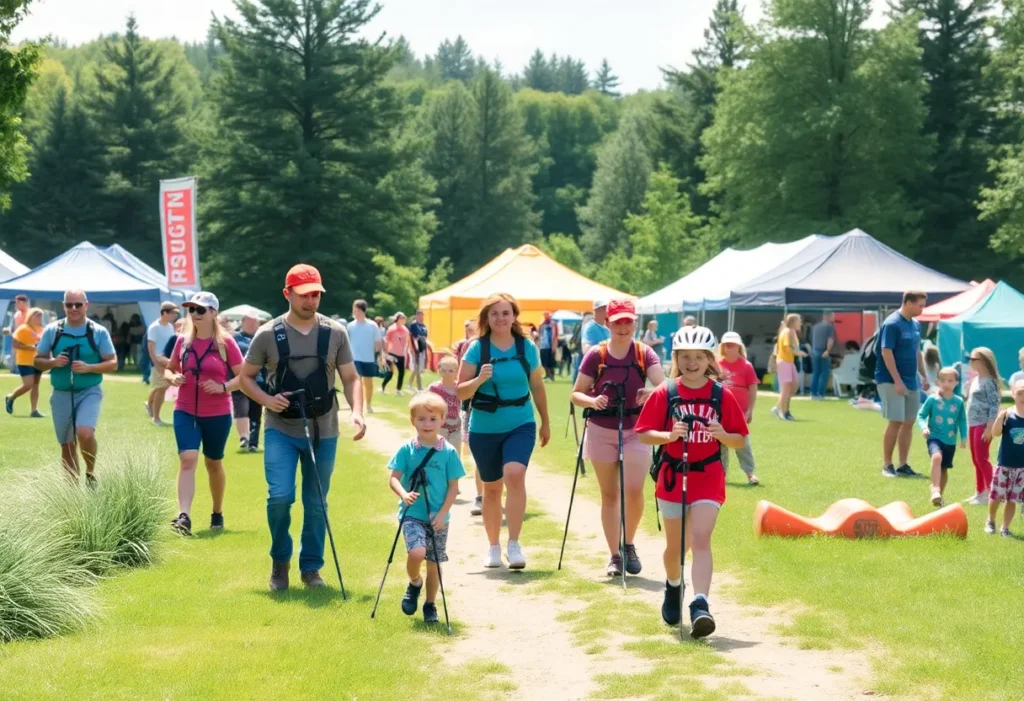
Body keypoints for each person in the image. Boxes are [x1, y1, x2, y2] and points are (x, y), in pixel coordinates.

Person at [238, 264, 366, 591]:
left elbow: (351, 378)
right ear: (288, 294)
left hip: (325, 430)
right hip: (281, 429)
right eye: (305, 295)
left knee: (317, 501)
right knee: (279, 496)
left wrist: (358, 412)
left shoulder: (336, 332)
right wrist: (266, 400)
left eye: (316, 295)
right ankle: (280, 560)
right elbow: (245, 378)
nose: (312, 301)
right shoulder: (268, 334)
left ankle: (311, 569)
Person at [635, 326, 748, 639]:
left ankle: (700, 604)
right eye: (685, 357)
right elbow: (643, 432)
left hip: (708, 476)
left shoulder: (720, 395)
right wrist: (668, 436)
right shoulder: (666, 392)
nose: (692, 362)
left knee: (700, 538)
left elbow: (740, 440)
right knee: (676, 546)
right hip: (672, 477)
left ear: (710, 359)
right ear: (676, 358)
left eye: (699, 357)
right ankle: (674, 586)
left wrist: (722, 434)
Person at [571, 299, 664, 577]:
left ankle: (629, 544)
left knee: (634, 490)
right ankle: (614, 555)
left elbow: (665, 384)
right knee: (609, 494)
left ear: (635, 323)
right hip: (601, 429)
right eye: (617, 322)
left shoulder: (643, 353)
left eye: (628, 321)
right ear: (607, 323)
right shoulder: (596, 355)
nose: (623, 327)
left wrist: (653, 393)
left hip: (637, 429)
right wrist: (592, 400)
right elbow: (576, 394)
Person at [458, 292, 550, 570]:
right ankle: (493, 547)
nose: (501, 318)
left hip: (520, 423)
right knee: (492, 489)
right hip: (484, 427)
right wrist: (479, 378)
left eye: (506, 313)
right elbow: (460, 390)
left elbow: (537, 385)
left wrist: (545, 421)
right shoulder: (477, 348)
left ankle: (514, 544)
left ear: (514, 316)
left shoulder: (526, 347)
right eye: (495, 313)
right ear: (486, 317)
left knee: (514, 473)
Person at [164, 292, 245, 536]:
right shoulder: (182, 342)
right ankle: (184, 516)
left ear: (213, 313)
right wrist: (173, 377)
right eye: (191, 310)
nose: (195, 315)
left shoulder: (226, 344)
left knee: (213, 463)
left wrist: (223, 387)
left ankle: (217, 511)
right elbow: (169, 369)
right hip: (185, 409)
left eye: (200, 310)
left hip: (217, 413)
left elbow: (244, 377)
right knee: (188, 459)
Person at [388, 392, 465, 624]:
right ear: (413, 421)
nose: (427, 424)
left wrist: (443, 514)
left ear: (442, 420)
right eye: (421, 419)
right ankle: (414, 582)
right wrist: (403, 493)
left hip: (438, 519)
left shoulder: (449, 452)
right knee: (416, 552)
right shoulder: (406, 449)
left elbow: (454, 487)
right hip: (412, 515)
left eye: (433, 419)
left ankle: (430, 605)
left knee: (434, 564)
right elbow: (393, 478)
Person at [34, 290, 118, 482]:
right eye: (69, 304)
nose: (73, 309)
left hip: (90, 391)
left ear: (86, 305)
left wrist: (89, 367)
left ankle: (90, 472)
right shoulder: (52, 330)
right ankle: (73, 495)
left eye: (78, 305)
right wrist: (53, 362)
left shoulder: (97, 331)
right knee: (67, 444)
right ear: (63, 306)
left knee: (85, 433)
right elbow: (37, 361)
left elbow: (113, 362)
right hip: (61, 392)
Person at [876, 291, 930, 478]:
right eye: (920, 306)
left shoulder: (915, 324)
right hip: (891, 380)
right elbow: (886, 352)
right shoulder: (892, 324)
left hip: (911, 380)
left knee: (909, 422)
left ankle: (903, 465)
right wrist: (897, 380)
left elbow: (917, 351)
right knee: (896, 421)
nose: (922, 309)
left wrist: (923, 374)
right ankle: (887, 465)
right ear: (907, 303)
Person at [917, 367, 967, 507]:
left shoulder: (958, 402)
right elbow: (921, 415)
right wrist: (924, 427)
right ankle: (935, 489)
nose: (946, 383)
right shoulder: (932, 399)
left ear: (956, 382)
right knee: (936, 457)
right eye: (943, 380)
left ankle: (939, 496)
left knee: (944, 469)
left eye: (950, 380)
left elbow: (962, 420)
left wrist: (963, 437)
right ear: (938, 381)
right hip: (934, 437)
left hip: (950, 441)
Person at [717, 332, 761, 485]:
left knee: (742, 444)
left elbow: (753, 388)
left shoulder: (746, 366)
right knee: (720, 444)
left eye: (732, 345)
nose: (728, 347)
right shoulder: (717, 364)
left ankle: (750, 474)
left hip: (739, 413)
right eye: (726, 345)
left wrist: (750, 410)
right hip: (720, 413)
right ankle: (720, 476)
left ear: (738, 347)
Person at [986, 382, 1024, 536]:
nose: (1023, 397)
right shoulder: (1009, 415)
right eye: (1020, 393)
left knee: (1012, 499)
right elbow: (995, 433)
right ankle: (991, 520)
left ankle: (1005, 527)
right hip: (1005, 464)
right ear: (1013, 394)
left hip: (1021, 467)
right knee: (996, 495)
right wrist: (1000, 418)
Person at [965, 347, 1002, 505]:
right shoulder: (976, 379)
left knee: (982, 458)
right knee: (976, 459)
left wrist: (989, 427)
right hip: (973, 423)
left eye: (974, 359)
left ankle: (991, 492)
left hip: (983, 424)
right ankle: (980, 491)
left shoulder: (989, 382)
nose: (970, 362)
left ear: (983, 362)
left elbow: (994, 405)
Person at [232, 313, 265, 451]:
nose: (253, 324)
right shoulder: (234, 338)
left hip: (258, 380)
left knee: (255, 413)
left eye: (256, 322)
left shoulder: (262, 337)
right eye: (250, 321)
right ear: (243, 322)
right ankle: (244, 437)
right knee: (242, 409)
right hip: (239, 379)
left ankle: (253, 443)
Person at [6, 307, 46, 417]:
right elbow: (15, 344)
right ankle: (11, 397)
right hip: (25, 360)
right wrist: (30, 347)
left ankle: (34, 410)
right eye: (36, 315)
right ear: (31, 316)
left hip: (38, 360)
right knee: (28, 385)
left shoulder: (42, 329)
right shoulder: (23, 328)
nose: (39, 318)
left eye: (40, 316)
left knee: (36, 385)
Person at [145, 302, 180, 426]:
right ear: (164, 312)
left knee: (161, 386)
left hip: (168, 361)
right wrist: (157, 365)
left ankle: (149, 405)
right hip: (159, 361)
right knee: (161, 388)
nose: (174, 316)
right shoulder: (154, 327)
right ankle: (156, 418)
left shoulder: (170, 327)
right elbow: (151, 348)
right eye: (172, 313)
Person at [349, 299, 383, 414]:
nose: (355, 312)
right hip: (355, 358)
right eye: (354, 309)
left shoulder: (372, 325)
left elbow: (378, 343)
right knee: (357, 381)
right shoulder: (350, 326)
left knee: (368, 383)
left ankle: (368, 404)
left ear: (363, 311)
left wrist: (379, 356)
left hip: (368, 358)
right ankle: (357, 405)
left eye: (357, 310)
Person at [771, 314, 806, 421]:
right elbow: (787, 348)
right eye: (798, 321)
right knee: (786, 389)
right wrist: (798, 353)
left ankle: (779, 407)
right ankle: (783, 411)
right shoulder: (786, 332)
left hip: (789, 362)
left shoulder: (791, 332)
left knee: (794, 386)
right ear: (793, 322)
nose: (800, 323)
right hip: (784, 362)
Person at [383, 312, 411, 395]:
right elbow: (387, 340)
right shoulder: (392, 329)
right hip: (392, 353)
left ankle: (398, 390)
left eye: (404, 318)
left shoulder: (405, 330)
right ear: (397, 319)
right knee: (390, 372)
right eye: (401, 318)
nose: (403, 320)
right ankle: (383, 387)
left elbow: (407, 341)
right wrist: (386, 353)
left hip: (401, 354)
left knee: (402, 372)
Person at [809, 312, 835, 400]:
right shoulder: (830, 326)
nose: (834, 318)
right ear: (828, 316)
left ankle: (813, 393)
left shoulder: (815, 327)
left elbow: (811, 339)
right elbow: (830, 340)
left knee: (816, 372)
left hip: (815, 350)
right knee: (825, 373)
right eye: (833, 316)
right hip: (823, 351)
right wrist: (827, 351)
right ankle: (821, 393)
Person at [408, 310, 430, 392]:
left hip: (422, 348)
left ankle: (410, 384)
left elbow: (425, 337)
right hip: (416, 349)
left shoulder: (424, 326)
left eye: (422, 315)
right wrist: (412, 349)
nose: (421, 317)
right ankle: (419, 386)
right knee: (416, 367)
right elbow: (412, 338)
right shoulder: (414, 325)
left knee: (418, 368)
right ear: (416, 316)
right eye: (420, 315)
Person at [538, 311, 559, 382]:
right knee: (543, 361)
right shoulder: (542, 324)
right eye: (544, 315)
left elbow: (555, 335)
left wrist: (554, 346)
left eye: (547, 315)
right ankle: (547, 374)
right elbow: (539, 334)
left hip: (550, 345)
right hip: (543, 345)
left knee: (550, 362)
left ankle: (551, 376)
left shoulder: (553, 324)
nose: (546, 316)